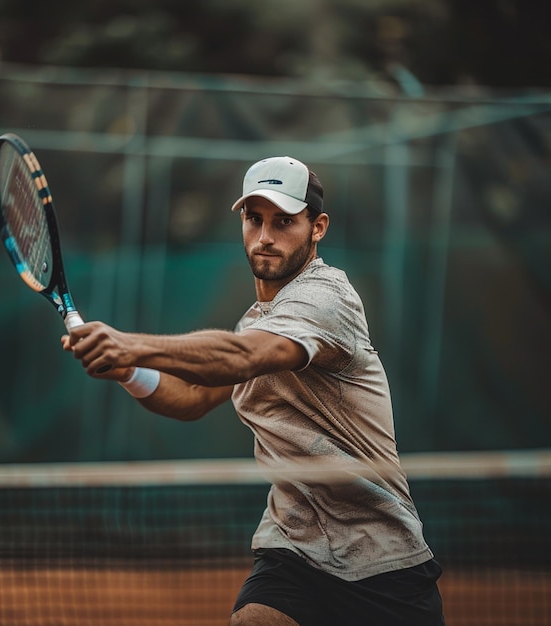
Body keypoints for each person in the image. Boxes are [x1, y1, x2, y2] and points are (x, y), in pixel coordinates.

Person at [62, 156, 445, 626]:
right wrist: (126, 368)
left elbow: (243, 357)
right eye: (254, 219)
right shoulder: (257, 321)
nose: (265, 236)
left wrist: (133, 343)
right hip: (293, 547)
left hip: (381, 558)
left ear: (317, 227)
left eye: (284, 221)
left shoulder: (326, 300)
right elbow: (192, 399)